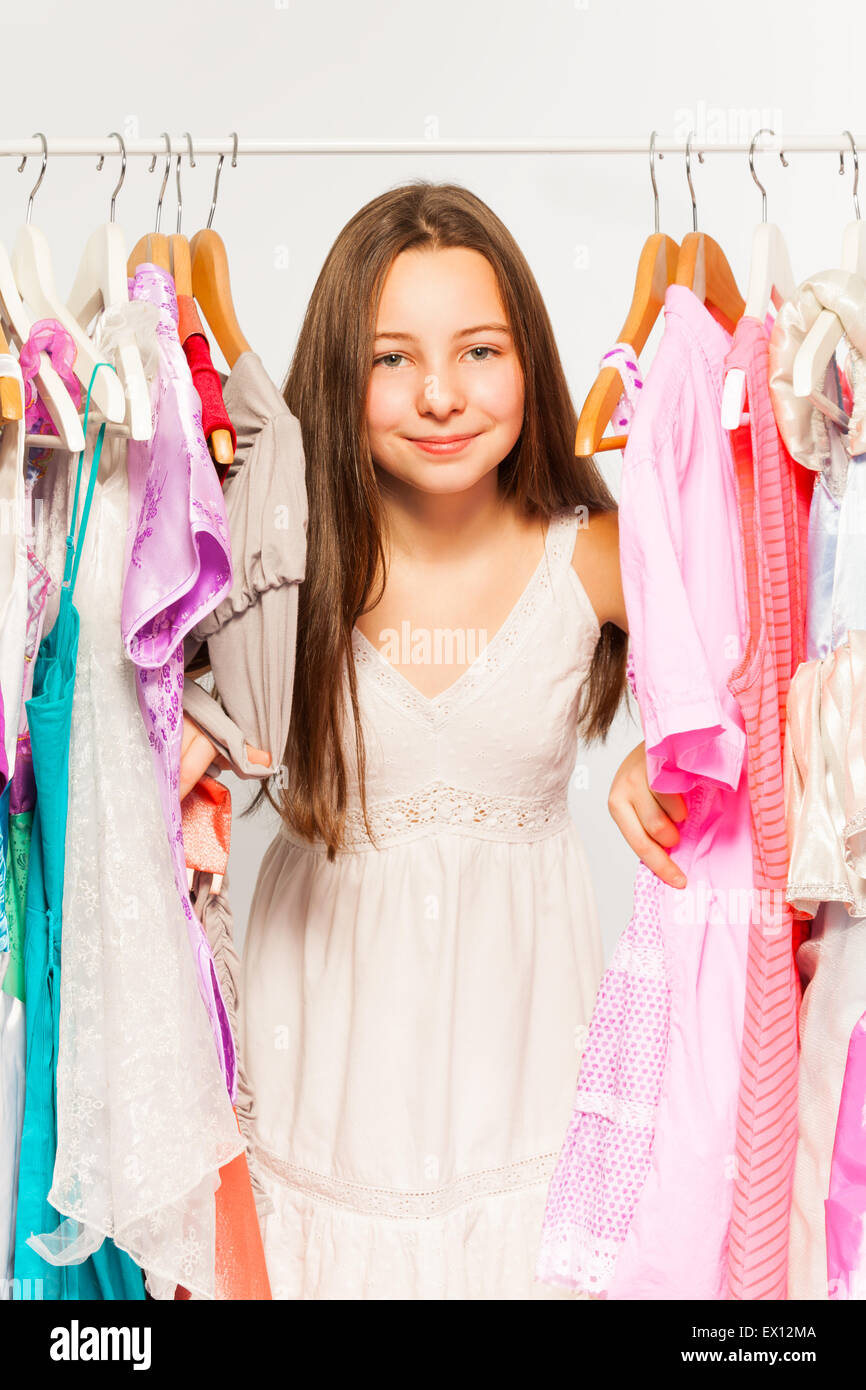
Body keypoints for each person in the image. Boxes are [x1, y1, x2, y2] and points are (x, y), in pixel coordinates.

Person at [180, 180, 686, 1300]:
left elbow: (748, 684)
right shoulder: (282, 565)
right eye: (391, 359)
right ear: (336, 377)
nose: (440, 395)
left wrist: (666, 744)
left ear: (531, 364)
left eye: (479, 351)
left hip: (523, 1087)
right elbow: (159, 715)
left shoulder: (594, 552)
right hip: (324, 1084)